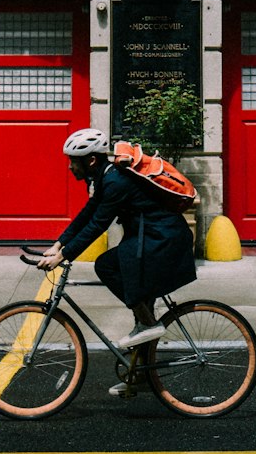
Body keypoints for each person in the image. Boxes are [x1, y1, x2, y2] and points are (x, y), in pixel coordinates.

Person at [36, 128, 196, 379]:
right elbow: (88, 213)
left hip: (162, 240)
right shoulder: (106, 177)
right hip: (151, 238)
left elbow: (98, 224)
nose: (69, 167)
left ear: (90, 160)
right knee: (136, 296)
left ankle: (147, 322)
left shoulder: (115, 181)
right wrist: (59, 244)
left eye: (72, 161)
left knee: (107, 266)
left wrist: (64, 256)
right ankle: (142, 376)